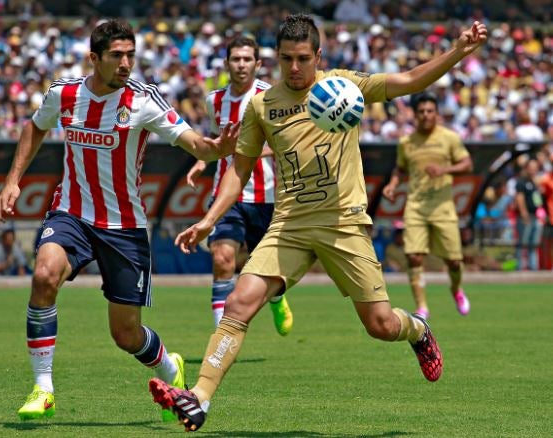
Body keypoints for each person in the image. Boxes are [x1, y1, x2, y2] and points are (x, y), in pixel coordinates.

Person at [148, 14, 487, 432]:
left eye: (303, 59)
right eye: (286, 59)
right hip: (289, 225)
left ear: (318, 56)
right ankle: (199, 397)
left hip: (343, 224)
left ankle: (417, 330)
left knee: (380, 325)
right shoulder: (262, 104)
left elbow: (411, 81)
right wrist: (208, 219)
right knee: (238, 304)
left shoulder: (343, 86)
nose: (294, 68)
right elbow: (239, 170)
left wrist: (457, 51)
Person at [0, 19, 238, 422]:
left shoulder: (144, 101)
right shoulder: (65, 93)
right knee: (43, 276)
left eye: (131, 55)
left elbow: (192, 141)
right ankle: (43, 387)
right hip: (71, 212)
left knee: (125, 334)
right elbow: (35, 129)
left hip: (124, 226)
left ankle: (167, 367)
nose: (126, 63)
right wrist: (12, 182)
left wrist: (214, 148)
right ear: (94, 58)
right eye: (117, 56)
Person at [186, 36, 293, 334]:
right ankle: (221, 338)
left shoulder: (272, 98)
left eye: (248, 59)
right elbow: (214, 138)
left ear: (258, 64)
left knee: (269, 271)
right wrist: (201, 161)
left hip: (266, 197)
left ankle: (277, 300)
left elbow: (284, 143)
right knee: (223, 259)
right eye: (236, 59)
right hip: (226, 195)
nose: (242, 65)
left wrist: (248, 150)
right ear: (227, 64)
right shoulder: (214, 100)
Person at [382, 93, 473, 319]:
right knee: (413, 256)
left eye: (429, 111)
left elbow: (467, 163)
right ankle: (422, 306)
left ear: (436, 113)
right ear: (415, 114)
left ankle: (456, 289)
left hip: (443, 206)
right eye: (421, 111)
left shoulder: (449, 138)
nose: (425, 115)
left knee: (453, 261)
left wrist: (444, 170)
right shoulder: (406, 143)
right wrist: (393, 184)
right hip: (416, 206)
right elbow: (400, 169)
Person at [514, 158, 545, 270]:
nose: (533, 170)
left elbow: (539, 200)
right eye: (531, 167)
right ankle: (519, 268)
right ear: (526, 168)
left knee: (534, 244)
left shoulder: (535, 183)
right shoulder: (522, 182)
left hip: (536, 217)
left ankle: (533, 269)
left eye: (535, 168)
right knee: (523, 243)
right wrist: (524, 213)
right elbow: (519, 197)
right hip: (526, 217)